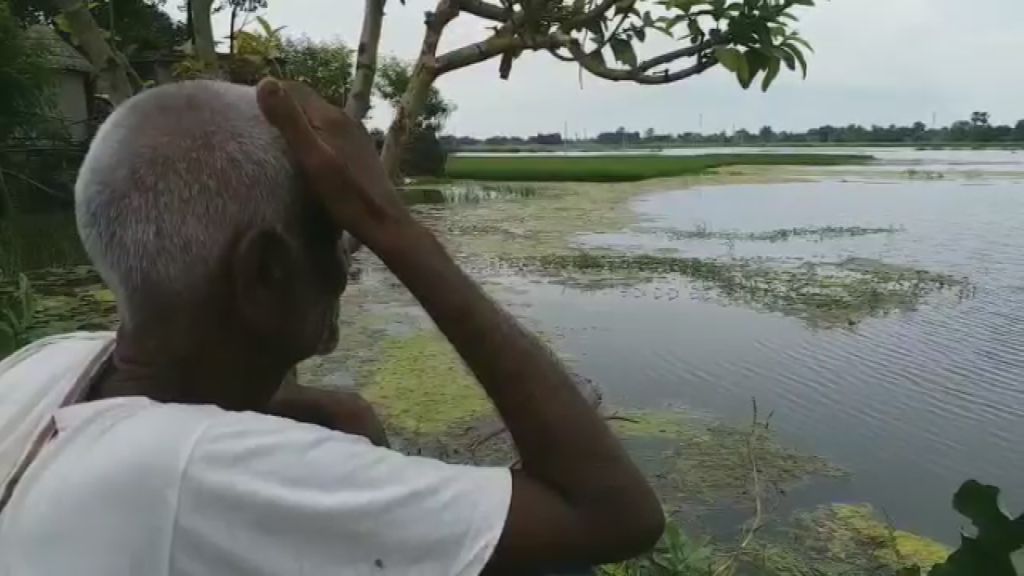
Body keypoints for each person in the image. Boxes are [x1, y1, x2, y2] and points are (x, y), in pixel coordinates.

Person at [0, 79, 663, 575]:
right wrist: (395, 226)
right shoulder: (205, 475)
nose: (349, 269)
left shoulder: (47, 364)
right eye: (338, 236)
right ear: (265, 273)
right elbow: (610, 517)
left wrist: (321, 405)